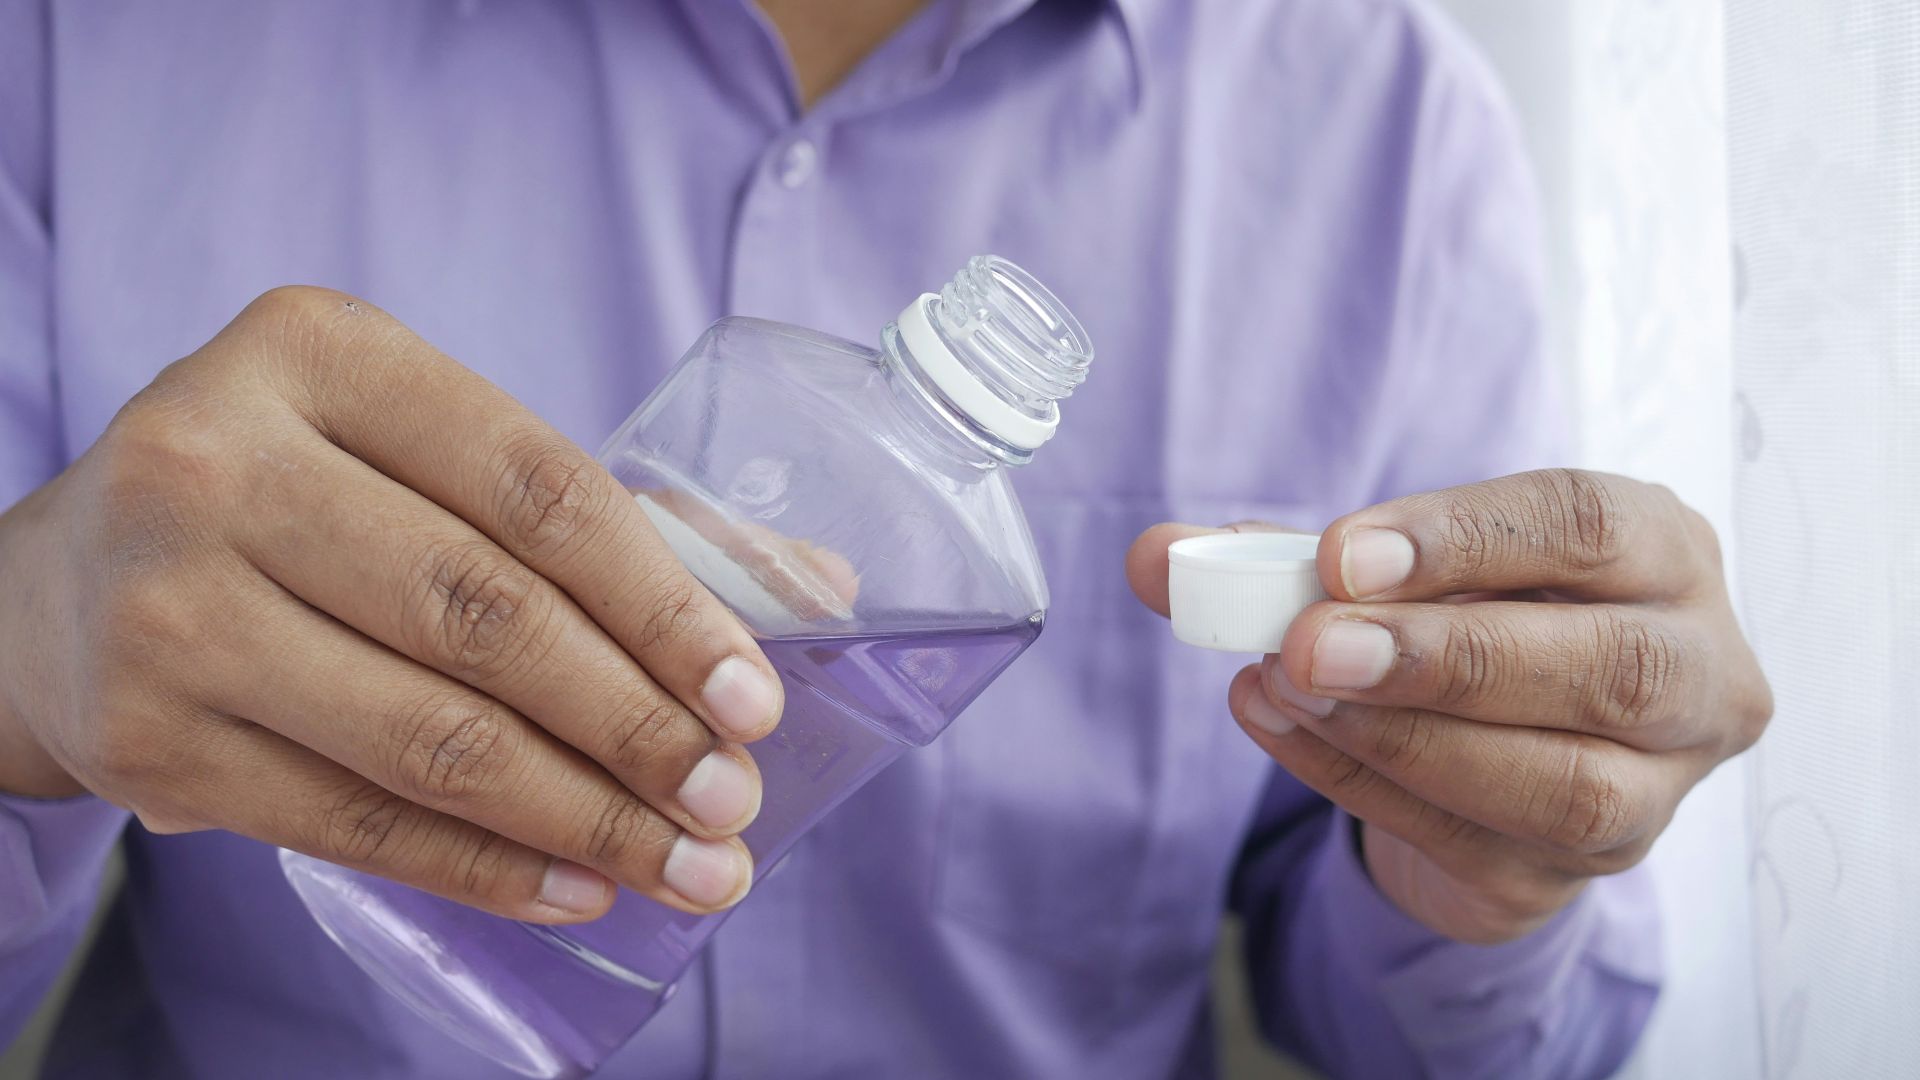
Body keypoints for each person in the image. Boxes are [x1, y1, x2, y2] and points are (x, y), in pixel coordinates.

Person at [0, 1, 1771, 1077]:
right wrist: (19, 679)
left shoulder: (1386, 131)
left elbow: (1411, 1036)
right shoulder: (92, 38)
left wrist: (1480, 876)